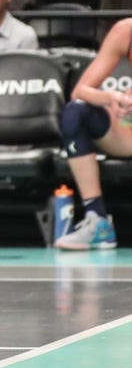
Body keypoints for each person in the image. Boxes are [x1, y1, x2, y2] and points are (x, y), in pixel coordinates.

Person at [54, 17, 132, 249]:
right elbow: (81, 90)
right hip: (127, 133)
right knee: (75, 112)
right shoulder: (125, 32)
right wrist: (114, 98)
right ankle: (98, 221)